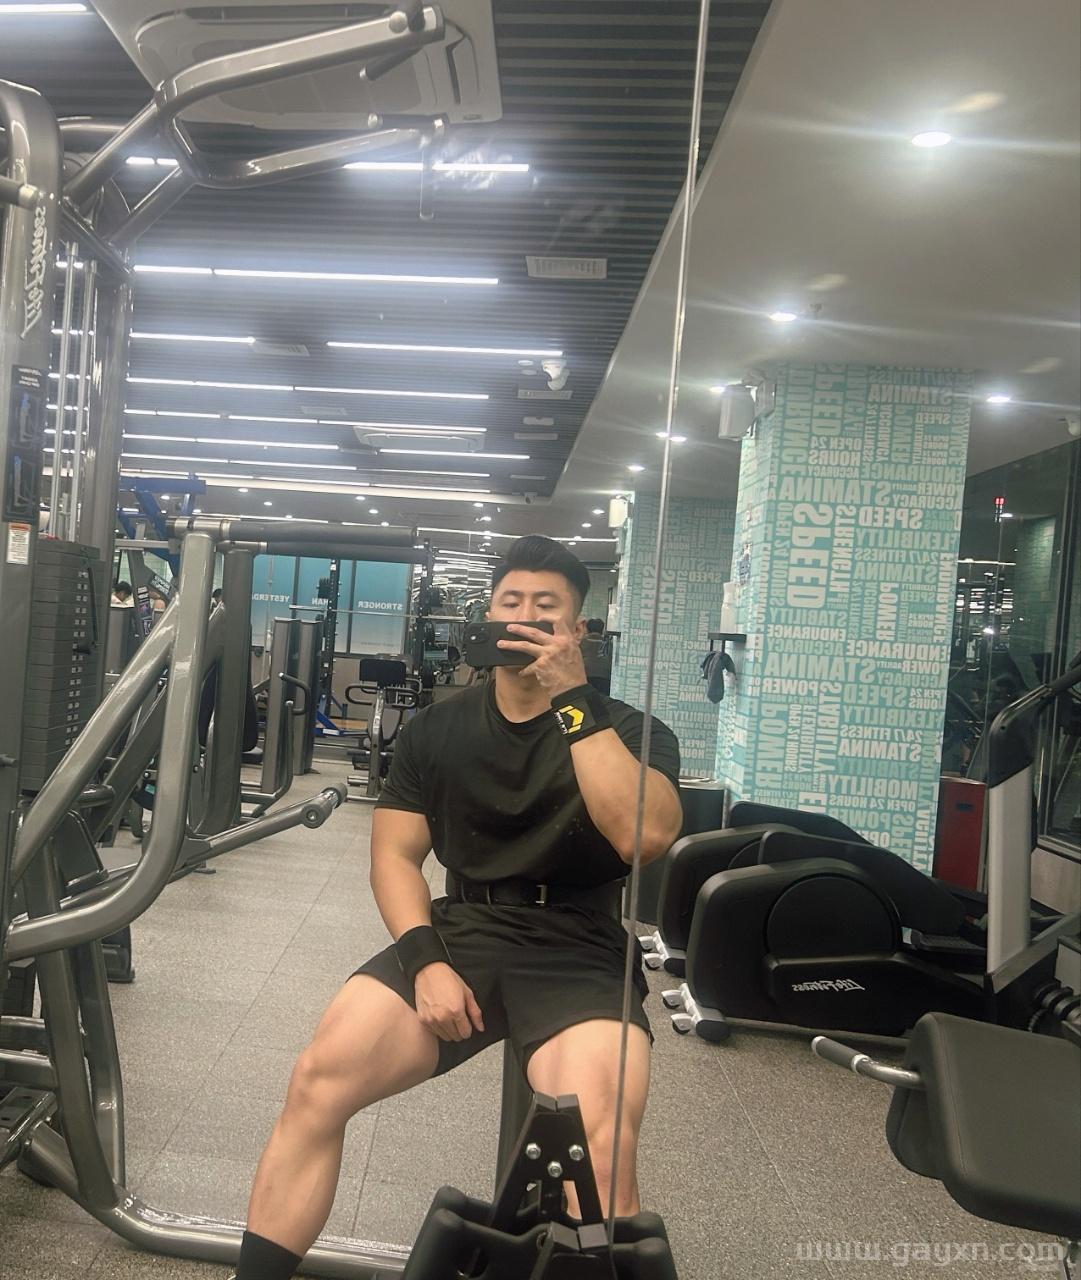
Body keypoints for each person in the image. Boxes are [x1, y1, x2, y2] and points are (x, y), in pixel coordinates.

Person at [231, 535, 682, 1280]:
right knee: (318, 1080)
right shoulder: (438, 730)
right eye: (512, 602)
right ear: (489, 616)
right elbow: (393, 858)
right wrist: (425, 963)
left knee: (599, 1150)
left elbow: (644, 835)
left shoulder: (628, 730)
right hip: (463, 930)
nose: (525, 618)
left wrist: (573, 701)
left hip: (580, 946)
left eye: (547, 608)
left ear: (577, 630)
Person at [581, 616, 613, 695]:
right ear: (602, 629)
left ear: (587, 629)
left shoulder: (581, 642)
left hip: (585, 676)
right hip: (604, 677)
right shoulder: (608, 643)